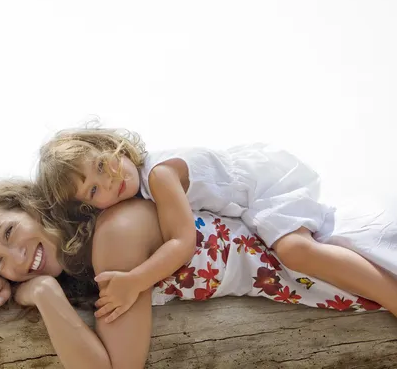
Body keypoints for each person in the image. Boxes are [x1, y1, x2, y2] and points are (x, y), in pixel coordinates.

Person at [0, 179, 397, 369]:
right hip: (315, 285)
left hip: (341, 251)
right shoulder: (83, 265)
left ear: (32, 207)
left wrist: (41, 292)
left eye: (10, 232)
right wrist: (25, 288)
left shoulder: (113, 236)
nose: (17, 258)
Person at [36, 125, 397, 321]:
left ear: (111, 146)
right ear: (89, 207)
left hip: (265, 186)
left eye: (101, 165)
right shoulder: (144, 190)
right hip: (252, 200)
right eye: (95, 189)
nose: (110, 180)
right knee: (291, 251)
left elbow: (183, 243)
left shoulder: (160, 175)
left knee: (296, 251)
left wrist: (135, 281)